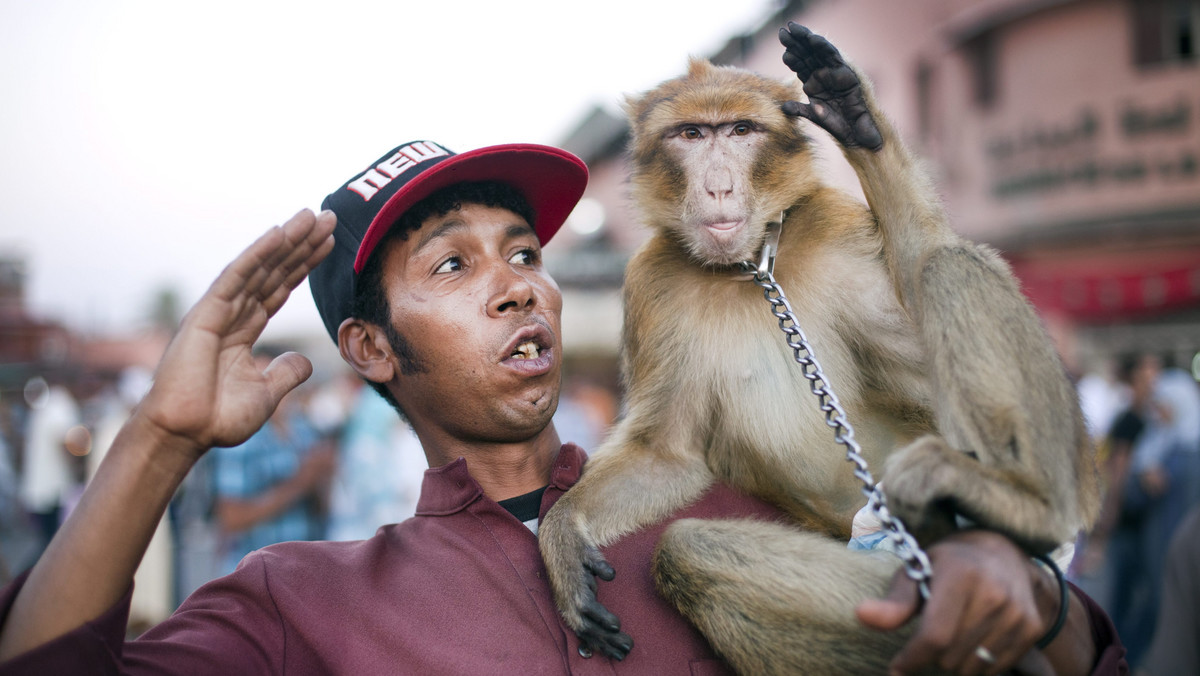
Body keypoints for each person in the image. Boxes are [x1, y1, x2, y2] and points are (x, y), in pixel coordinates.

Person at [0, 139, 1127, 674]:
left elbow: (1066, 658)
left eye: (524, 249)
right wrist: (157, 440)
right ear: (369, 347)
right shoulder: (305, 604)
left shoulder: (741, 507)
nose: (517, 282)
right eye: (451, 266)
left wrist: (1026, 591)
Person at [211, 352, 335, 575]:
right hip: (256, 574)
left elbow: (320, 507)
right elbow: (231, 517)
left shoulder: (302, 430)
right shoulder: (240, 439)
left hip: (301, 569)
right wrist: (300, 483)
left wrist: (323, 476)